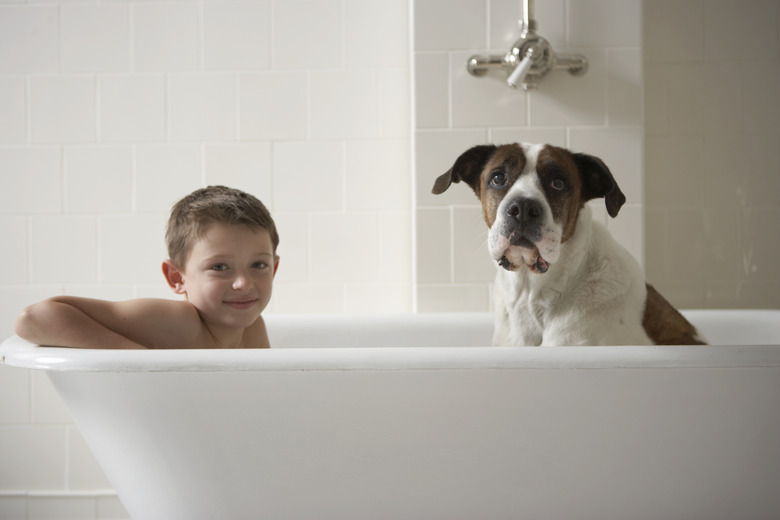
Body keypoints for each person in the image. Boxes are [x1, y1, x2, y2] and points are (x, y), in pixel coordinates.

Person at [15, 186, 280, 349]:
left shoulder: (253, 328)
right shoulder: (178, 322)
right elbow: (33, 319)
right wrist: (136, 362)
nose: (243, 283)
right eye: (220, 267)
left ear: (274, 269)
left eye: (258, 264)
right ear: (177, 277)